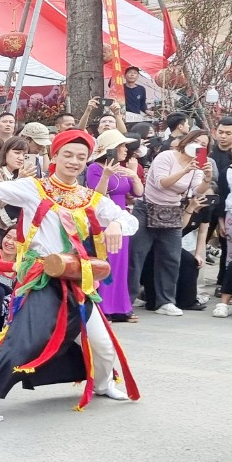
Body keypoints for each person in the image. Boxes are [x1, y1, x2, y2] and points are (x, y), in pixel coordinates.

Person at [0, 129, 141, 423]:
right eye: (68, 155)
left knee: (102, 342)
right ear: (54, 156)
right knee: (27, 338)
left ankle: (103, 383)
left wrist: (117, 225)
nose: (74, 161)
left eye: (81, 157)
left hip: (77, 278)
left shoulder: (88, 198)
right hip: (43, 277)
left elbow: (129, 219)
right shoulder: (34, 189)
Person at [130, 129, 212, 317]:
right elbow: (161, 183)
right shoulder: (167, 156)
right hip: (147, 208)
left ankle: (165, 301)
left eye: (204, 144)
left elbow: (197, 191)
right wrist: (185, 169)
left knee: (171, 258)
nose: (199, 145)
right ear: (187, 141)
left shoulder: (199, 166)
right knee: (137, 254)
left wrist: (207, 178)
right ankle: (126, 300)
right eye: (196, 141)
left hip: (172, 211)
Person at [86, 130, 143, 322]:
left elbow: (137, 193)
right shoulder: (95, 168)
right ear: (111, 149)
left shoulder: (123, 169)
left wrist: (134, 176)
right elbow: (96, 196)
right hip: (103, 221)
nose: (126, 150)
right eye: (122, 146)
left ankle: (121, 307)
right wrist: (106, 175)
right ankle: (103, 307)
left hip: (121, 221)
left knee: (120, 265)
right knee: (106, 263)